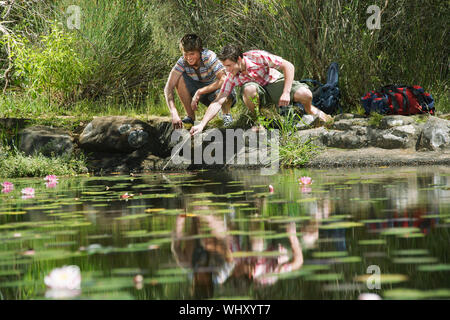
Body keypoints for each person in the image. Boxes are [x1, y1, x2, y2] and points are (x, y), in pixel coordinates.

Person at [190, 44, 333, 135]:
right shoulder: (230, 76)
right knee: (249, 89)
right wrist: (202, 125)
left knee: (306, 94)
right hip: (257, 93)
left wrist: (285, 92)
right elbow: (218, 101)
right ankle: (260, 122)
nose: (226, 70)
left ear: (239, 59)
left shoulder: (257, 56)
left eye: (229, 65)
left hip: (273, 83)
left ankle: (309, 110)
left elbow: (288, 65)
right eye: (224, 66)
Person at [164, 34, 236, 130]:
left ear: (200, 51)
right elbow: (168, 87)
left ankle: (226, 116)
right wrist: (173, 112)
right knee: (179, 77)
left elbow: (224, 80)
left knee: (225, 88)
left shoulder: (209, 56)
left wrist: (200, 91)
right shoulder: (182, 62)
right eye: (186, 54)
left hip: (219, 92)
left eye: (192, 54)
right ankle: (190, 117)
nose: (188, 57)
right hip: (201, 95)